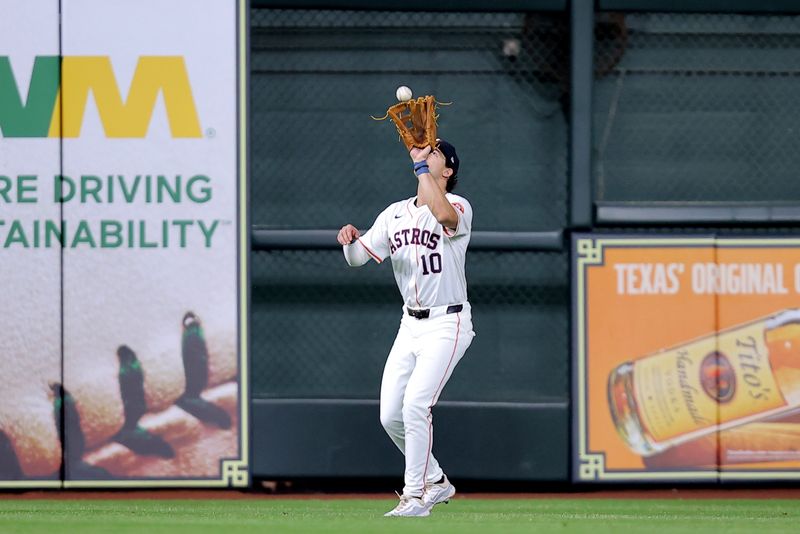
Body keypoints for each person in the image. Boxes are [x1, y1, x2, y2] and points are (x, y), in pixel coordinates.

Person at [337, 140, 475, 517]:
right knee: (390, 415)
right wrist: (349, 240)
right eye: (424, 152)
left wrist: (419, 168)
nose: (427, 156)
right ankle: (437, 480)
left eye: (436, 154)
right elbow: (358, 259)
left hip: (448, 322)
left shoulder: (459, 205)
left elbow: (445, 217)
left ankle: (415, 496)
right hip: (409, 324)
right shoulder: (395, 214)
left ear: (447, 171)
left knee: (416, 405)